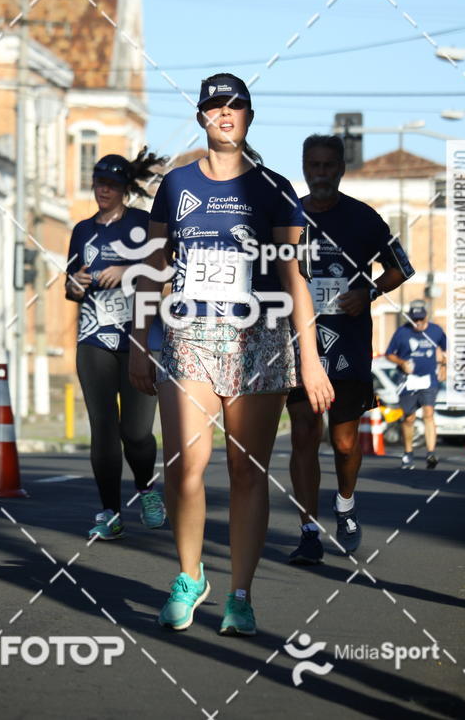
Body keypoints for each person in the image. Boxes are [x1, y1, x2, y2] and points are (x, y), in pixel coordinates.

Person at [129, 72, 333, 636]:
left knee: (247, 470)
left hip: (260, 340)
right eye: (214, 106)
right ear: (201, 117)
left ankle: (240, 594)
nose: (224, 114)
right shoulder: (175, 185)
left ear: (248, 116)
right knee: (186, 468)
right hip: (188, 334)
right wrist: (143, 343)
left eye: (234, 106)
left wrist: (310, 360)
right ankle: (190, 576)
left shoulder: (275, 188)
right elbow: (152, 269)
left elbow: (295, 280)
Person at [287, 135, 413, 565]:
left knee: (343, 443)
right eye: (313, 165)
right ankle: (307, 531)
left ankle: (345, 504)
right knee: (304, 432)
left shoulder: (364, 218)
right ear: (304, 167)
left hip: (349, 343)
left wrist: (370, 292)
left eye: (328, 166)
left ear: (340, 168)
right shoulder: (289, 215)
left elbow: (401, 267)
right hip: (299, 343)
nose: (320, 173)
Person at [65, 151, 166, 540]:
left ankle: (145, 490)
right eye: (97, 182)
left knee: (136, 432)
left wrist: (127, 270)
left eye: (110, 184)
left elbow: (165, 270)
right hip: (94, 339)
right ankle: (109, 510)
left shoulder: (143, 225)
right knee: (103, 428)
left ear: (125, 188)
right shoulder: (82, 230)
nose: (102, 190)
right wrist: (75, 284)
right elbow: (70, 287)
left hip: (140, 340)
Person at [385, 303, 447, 470]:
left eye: (421, 319)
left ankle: (431, 453)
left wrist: (443, 367)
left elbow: (445, 350)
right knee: (409, 418)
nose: (418, 322)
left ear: (426, 317)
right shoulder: (402, 332)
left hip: (428, 380)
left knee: (428, 413)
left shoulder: (436, 331)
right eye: (414, 320)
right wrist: (401, 362)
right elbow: (389, 354)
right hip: (408, 380)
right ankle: (408, 453)